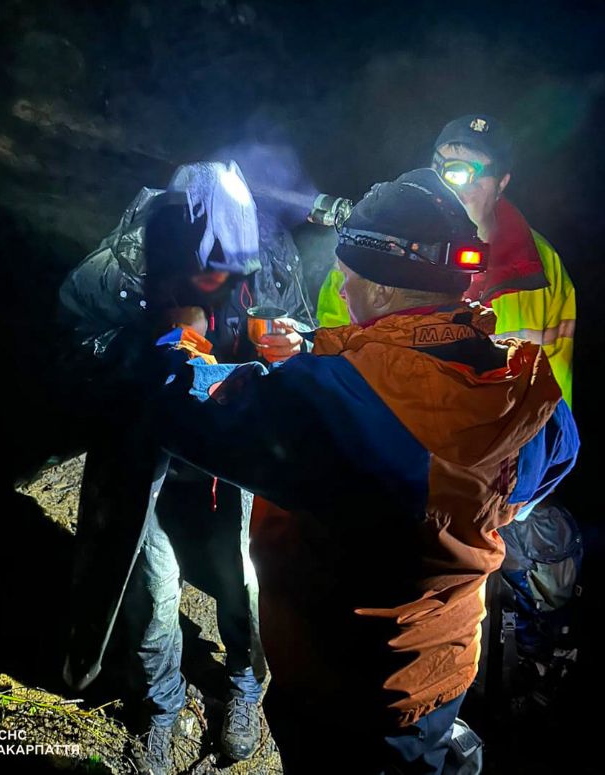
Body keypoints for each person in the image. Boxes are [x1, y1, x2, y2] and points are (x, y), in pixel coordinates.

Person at [146, 168, 579, 774]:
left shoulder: (327, 408)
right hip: (440, 667)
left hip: (342, 683)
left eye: (348, 282)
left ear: (383, 287)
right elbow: (548, 453)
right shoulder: (525, 381)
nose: (342, 295)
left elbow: (180, 406)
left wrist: (179, 332)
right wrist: (330, 356)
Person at [58, 161, 311, 774]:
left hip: (231, 460)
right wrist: (154, 349)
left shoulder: (266, 257)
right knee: (152, 585)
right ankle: (160, 706)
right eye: (209, 268)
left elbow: (306, 329)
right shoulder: (126, 265)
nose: (223, 280)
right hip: (146, 455)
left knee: (244, 579)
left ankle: (246, 685)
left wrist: (292, 344)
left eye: (235, 267)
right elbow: (72, 336)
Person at [317, 114, 576, 408]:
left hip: (499, 447)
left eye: (469, 171)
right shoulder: (372, 248)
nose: (451, 183)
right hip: (397, 440)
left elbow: (554, 395)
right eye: (439, 167)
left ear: (501, 183)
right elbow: (332, 361)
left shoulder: (541, 265)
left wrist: (528, 450)